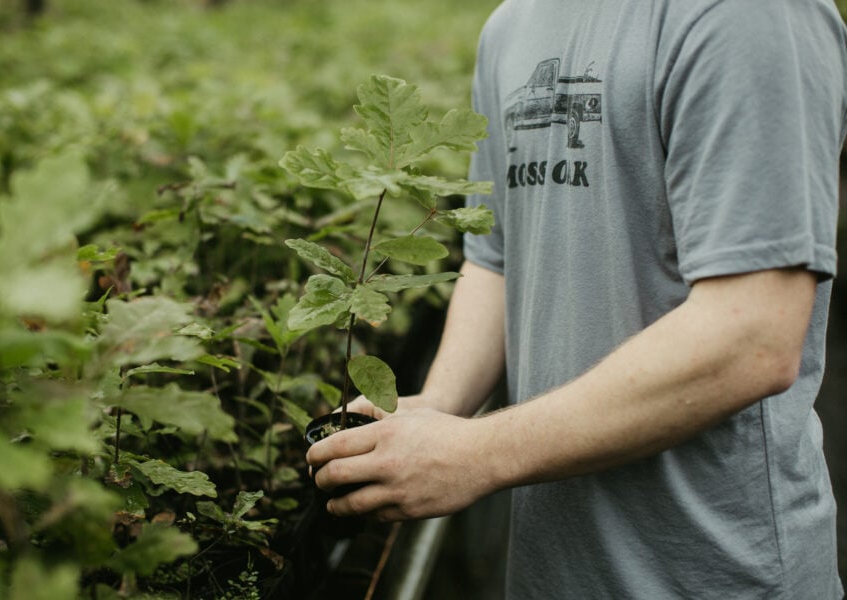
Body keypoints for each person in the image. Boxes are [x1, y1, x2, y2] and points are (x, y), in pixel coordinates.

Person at [306, 0, 847, 597]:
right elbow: (498, 259)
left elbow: (752, 338)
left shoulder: (746, 15)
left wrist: (478, 453)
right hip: (552, 566)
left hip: (709, 571)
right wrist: (436, 409)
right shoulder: (514, 23)